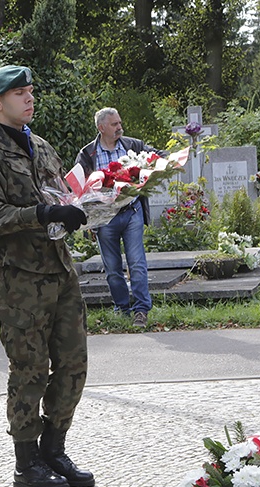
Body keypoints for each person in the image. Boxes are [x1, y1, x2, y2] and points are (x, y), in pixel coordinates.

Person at [0, 65, 94, 487]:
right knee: (30, 368)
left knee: (74, 363)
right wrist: (43, 214)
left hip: (59, 269)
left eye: (30, 91)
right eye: (19, 93)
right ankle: (26, 463)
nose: (29, 98)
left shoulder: (40, 145)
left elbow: (60, 196)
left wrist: (84, 206)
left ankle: (54, 449)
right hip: (19, 277)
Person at [75, 107, 165, 328]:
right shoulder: (87, 154)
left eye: (120, 123)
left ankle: (141, 310)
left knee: (136, 263)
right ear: (101, 127)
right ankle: (122, 308)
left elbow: (159, 157)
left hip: (132, 212)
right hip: (106, 219)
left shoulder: (133, 145)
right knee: (113, 268)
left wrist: (152, 172)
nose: (119, 127)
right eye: (114, 124)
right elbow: (79, 186)